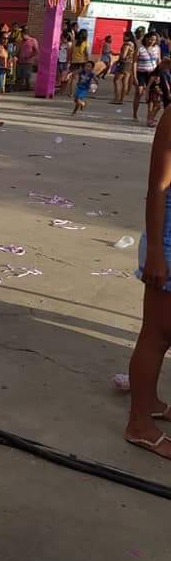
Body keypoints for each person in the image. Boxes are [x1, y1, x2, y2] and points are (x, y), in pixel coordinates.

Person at [125, 104, 171, 459]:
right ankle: (139, 423)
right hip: (168, 241)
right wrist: (156, 250)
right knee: (157, 335)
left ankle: (152, 402)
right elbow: (157, 188)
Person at [133, 31, 162, 121]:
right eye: (150, 39)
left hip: (152, 73)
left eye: (153, 40)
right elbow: (134, 62)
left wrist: (159, 75)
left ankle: (149, 115)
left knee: (152, 95)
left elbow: (159, 61)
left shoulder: (157, 48)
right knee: (139, 92)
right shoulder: (140, 48)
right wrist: (134, 76)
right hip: (141, 73)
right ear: (146, 38)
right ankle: (135, 114)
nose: (151, 41)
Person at [147, 57, 171, 127]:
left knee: (159, 107)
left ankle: (151, 119)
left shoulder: (163, 72)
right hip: (157, 92)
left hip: (160, 93)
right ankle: (150, 119)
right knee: (158, 106)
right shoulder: (162, 73)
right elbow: (162, 84)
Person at [113, 31, 135, 104]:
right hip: (130, 64)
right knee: (125, 82)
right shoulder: (133, 44)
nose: (123, 37)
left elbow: (123, 55)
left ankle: (117, 98)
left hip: (124, 64)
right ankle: (121, 99)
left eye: (124, 36)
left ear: (128, 37)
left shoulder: (127, 44)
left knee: (116, 80)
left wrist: (119, 60)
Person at [68, 28, 90, 96]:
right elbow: (86, 53)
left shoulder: (74, 42)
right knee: (82, 78)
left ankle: (71, 93)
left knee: (73, 78)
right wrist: (88, 62)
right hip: (82, 62)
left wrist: (70, 60)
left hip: (74, 61)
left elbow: (70, 52)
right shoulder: (85, 43)